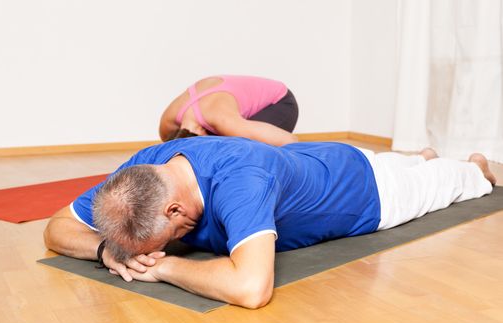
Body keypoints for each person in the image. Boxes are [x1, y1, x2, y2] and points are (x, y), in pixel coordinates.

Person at [43, 137, 496, 309]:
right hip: (317, 158)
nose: (149, 253)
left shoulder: (240, 181)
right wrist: (105, 249)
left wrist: (161, 268)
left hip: (368, 195)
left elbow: (252, 288)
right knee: (408, 161)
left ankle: (469, 165)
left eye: (157, 242)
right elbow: (56, 226)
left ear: (175, 212)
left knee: (459, 180)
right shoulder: (142, 171)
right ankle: (420, 157)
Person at [158, 75, 299, 145]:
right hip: (221, 106)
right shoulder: (167, 125)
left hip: (279, 102)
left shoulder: (223, 121)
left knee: (240, 150)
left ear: (201, 133)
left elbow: (290, 141)